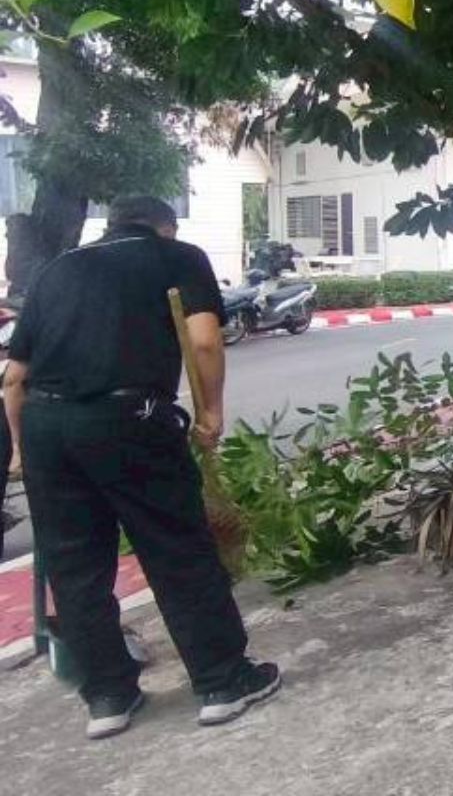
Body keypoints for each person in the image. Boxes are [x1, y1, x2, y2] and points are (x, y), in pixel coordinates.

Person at [2, 197, 280, 740]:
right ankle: (223, 681)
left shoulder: (58, 269)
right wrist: (211, 414)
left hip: (45, 426)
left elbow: (15, 377)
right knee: (177, 549)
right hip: (129, 419)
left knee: (76, 567)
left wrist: (17, 449)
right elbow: (204, 341)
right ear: (165, 227)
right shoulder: (178, 256)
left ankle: (108, 697)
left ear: (110, 225)